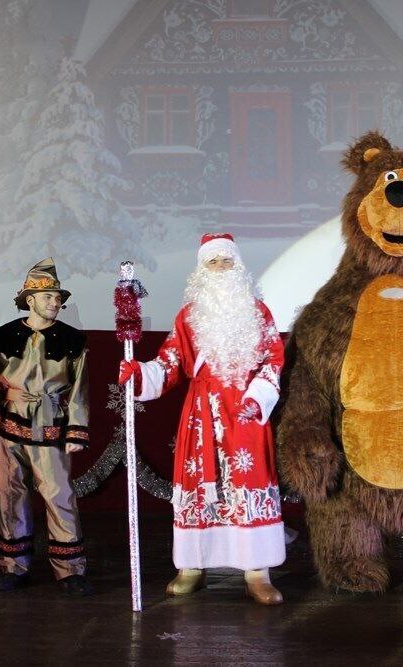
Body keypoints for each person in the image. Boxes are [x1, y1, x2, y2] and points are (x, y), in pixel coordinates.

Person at [118, 233, 286, 605]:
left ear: (239, 267)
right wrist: (140, 373)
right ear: (201, 270)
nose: (221, 268)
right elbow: (170, 363)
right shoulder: (188, 317)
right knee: (199, 483)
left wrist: (257, 399)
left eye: (227, 261)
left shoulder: (258, 313)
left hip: (245, 411)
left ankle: (257, 571)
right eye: (213, 262)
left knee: (248, 479)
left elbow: (273, 360)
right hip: (202, 414)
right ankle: (192, 566)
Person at [0, 258, 93, 596]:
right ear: (30, 300)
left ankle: (70, 570)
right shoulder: (3, 337)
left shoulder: (73, 341)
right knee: (11, 495)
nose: (56, 303)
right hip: (10, 428)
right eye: (49, 297)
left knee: (60, 497)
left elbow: (79, 390)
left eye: (58, 298)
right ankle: (14, 566)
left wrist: (76, 431)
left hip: (52, 428)